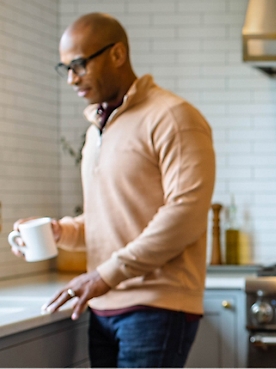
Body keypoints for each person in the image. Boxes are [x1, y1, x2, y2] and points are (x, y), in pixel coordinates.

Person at [9, 13, 215, 368]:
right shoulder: (98, 129)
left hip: (156, 307)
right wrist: (61, 232)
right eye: (65, 69)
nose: (72, 78)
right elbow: (108, 218)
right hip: (102, 305)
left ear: (117, 54)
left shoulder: (173, 117)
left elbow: (185, 214)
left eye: (79, 64)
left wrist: (107, 274)